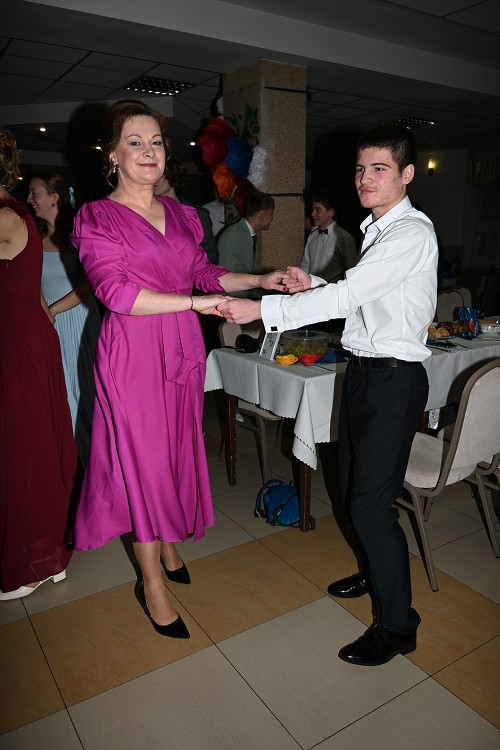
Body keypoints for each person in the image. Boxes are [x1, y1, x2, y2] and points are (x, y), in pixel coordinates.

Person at [218, 124, 438, 666]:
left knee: (371, 505)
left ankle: (398, 625)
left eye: (379, 169)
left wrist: (263, 308)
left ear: (407, 174)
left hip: (393, 382)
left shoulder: (410, 233)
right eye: (361, 169)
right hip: (364, 374)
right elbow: (362, 300)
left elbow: (352, 294)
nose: (365, 178)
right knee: (348, 486)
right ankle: (373, 571)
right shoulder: (378, 231)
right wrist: (312, 284)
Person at [70, 100, 289, 638]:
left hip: (181, 351)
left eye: (156, 142)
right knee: (142, 463)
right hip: (133, 355)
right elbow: (117, 295)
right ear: (112, 154)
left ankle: (167, 544)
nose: (148, 152)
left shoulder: (183, 214)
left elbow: (205, 272)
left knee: (171, 452)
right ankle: (152, 586)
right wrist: (195, 304)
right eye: (135, 142)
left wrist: (261, 279)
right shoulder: (96, 217)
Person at [0, 128, 77, 601]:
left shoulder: (8, 216)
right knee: (27, 444)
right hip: (23, 335)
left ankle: (37, 559)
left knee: (27, 448)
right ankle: (43, 551)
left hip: (22, 341)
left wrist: (53, 311)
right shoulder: (18, 215)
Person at [27, 173, 101, 465]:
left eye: (35, 193)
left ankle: (96, 461)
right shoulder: (32, 237)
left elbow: (91, 284)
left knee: (85, 392)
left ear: (54, 197)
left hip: (79, 320)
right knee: (59, 394)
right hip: (48, 324)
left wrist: (54, 310)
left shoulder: (79, 234)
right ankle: (71, 462)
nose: (29, 199)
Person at [154, 157, 219, 265]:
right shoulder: (146, 212)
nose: (153, 180)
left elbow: (212, 256)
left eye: (159, 175)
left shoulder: (199, 214)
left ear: (173, 176)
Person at [217, 192, 275, 298]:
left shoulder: (248, 234)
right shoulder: (233, 234)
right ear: (262, 216)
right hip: (231, 299)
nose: (272, 218)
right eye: (271, 214)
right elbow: (224, 275)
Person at [300, 188, 357, 284]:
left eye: (318, 210)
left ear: (331, 212)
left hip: (333, 291)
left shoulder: (344, 238)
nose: (312, 214)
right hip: (311, 290)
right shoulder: (312, 236)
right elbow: (305, 266)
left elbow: (352, 271)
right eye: (313, 209)